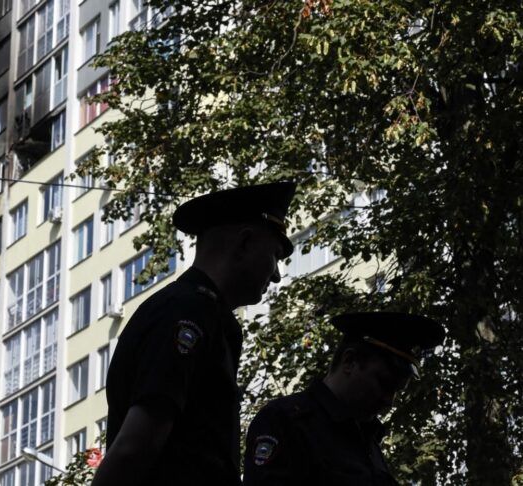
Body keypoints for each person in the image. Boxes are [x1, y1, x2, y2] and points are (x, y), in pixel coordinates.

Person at [91, 182, 297, 486]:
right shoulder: (187, 312)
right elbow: (135, 446)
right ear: (244, 243)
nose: (277, 275)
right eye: (275, 255)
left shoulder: (207, 316)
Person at [243, 312, 445, 486]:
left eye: (397, 390)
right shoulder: (285, 421)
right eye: (384, 384)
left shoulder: (367, 439)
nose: (389, 401)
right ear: (349, 361)